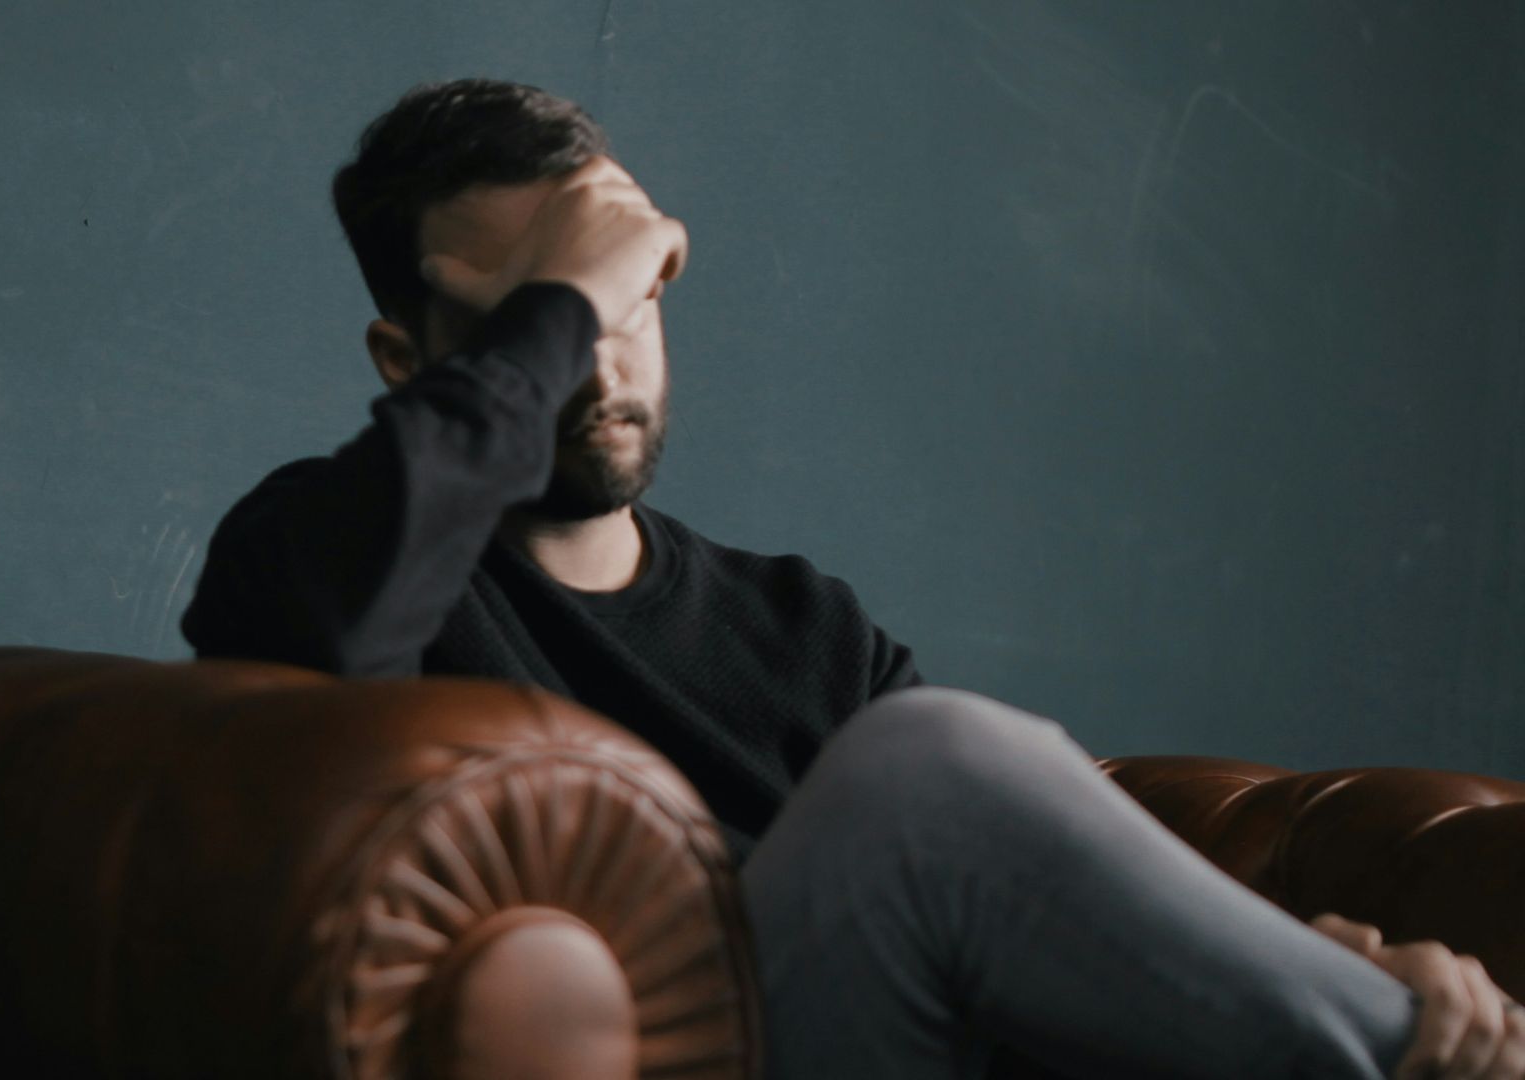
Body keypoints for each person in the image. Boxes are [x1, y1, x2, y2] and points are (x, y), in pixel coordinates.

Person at [181, 78, 1524, 1078]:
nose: (601, 359)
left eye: (634, 297)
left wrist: (1284, 964)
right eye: (546, 314)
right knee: (930, 762)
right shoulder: (315, 551)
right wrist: (574, 295)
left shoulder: (801, 624)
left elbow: (1004, 909)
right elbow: (330, 637)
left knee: (964, 775)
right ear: (412, 361)